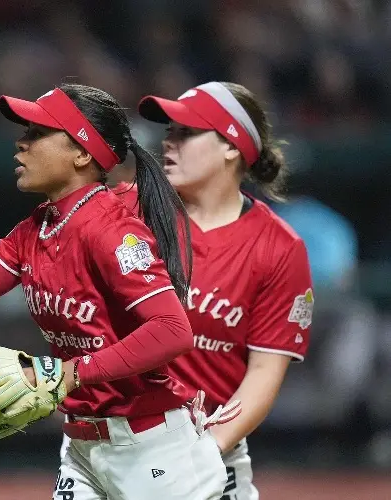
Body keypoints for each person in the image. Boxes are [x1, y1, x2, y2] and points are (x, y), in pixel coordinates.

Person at [0, 83, 229, 499]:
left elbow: (172, 330)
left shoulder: (111, 229)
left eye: (37, 133)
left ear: (82, 153)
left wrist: (72, 372)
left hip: (153, 449)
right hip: (83, 446)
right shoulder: (36, 228)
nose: (21, 143)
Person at [124, 81, 312, 499]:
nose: (168, 142)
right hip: (118, 442)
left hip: (208, 451)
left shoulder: (278, 248)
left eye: (186, 132)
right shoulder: (129, 214)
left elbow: (263, 373)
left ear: (231, 146)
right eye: (168, 131)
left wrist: (206, 450)